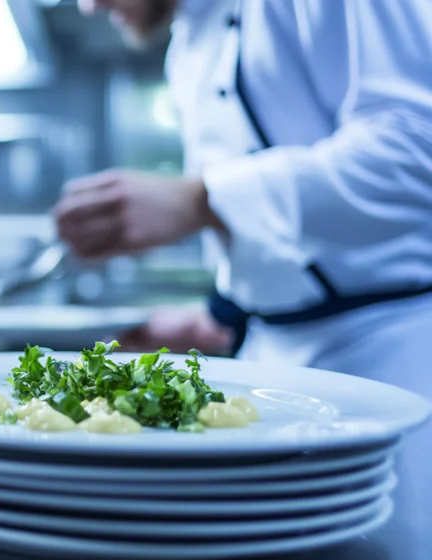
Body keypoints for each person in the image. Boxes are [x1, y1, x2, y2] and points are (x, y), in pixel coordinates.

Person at [55, 0, 432, 394]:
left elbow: (417, 150)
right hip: (272, 357)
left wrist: (200, 201)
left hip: (391, 359)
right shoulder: (186, 45)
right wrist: (219, 318)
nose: (89, 7)